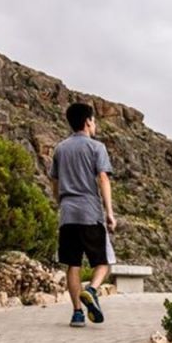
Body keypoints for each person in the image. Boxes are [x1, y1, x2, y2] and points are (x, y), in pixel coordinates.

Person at [49, 102, 116, 327]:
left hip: (67, 213)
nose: (95, 125)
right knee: (103, 262)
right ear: (88, 121)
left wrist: (61, 201)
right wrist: (110, 212)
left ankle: (77, 313)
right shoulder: (97, 148)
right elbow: (103, 179)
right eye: (94, 120)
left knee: (73, 264)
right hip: (90, 212)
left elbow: (54, 181)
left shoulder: (60, 148)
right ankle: (92, 290)